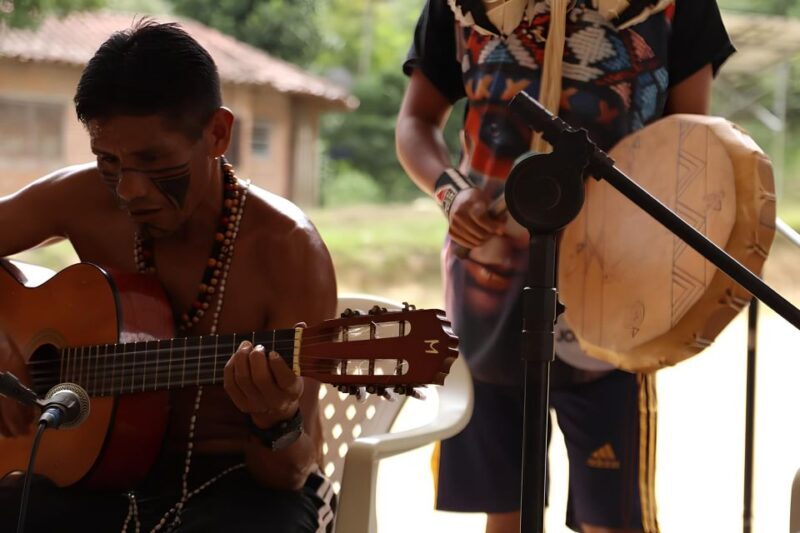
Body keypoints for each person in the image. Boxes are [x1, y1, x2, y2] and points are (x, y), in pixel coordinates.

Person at [396, 1, 734, 532]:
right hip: (488, 284)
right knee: (502, 510)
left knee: (613, 516)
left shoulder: (674, 7)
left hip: (620, 290)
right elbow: (416, 120)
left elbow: (691, 144)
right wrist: (449, 192)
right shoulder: (461, 7)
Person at [0, 20, 337, 532]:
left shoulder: (288, 249)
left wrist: (277, 419)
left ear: (218, 133)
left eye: (153, 160)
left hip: (239, 484)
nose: (129, 189)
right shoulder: (82, 198)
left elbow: (289, 473)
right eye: (107, 160)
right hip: (97, 476)